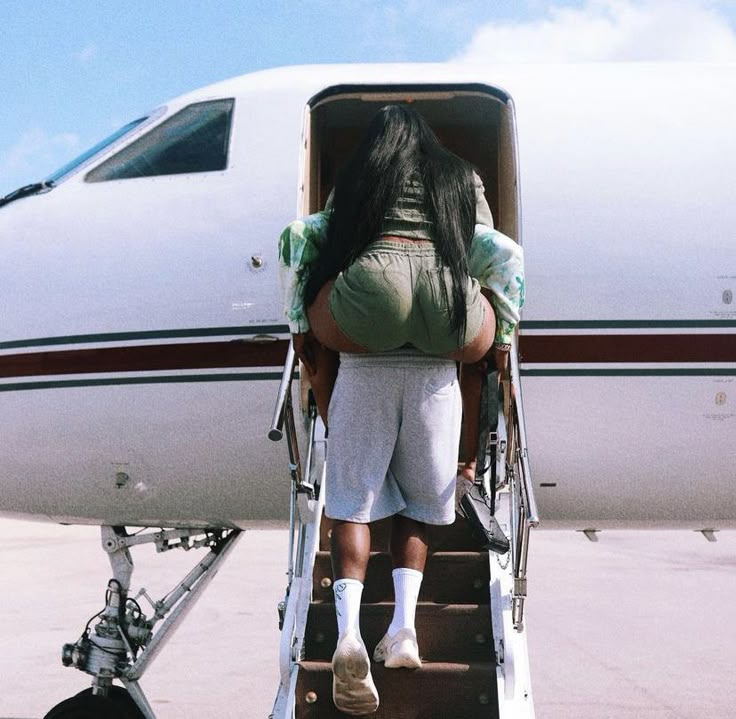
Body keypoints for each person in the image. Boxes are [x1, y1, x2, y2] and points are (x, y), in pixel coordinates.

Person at [277, 105, 524, 715]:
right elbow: (498, 252)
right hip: (443, 340)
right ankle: (406, 629)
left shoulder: (363, 173)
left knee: (352, 506)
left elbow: (308, 237)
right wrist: (502, 345)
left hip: (365, 351)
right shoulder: (462, 178)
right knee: (420, 506)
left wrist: (301, 326)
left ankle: (352, 634)